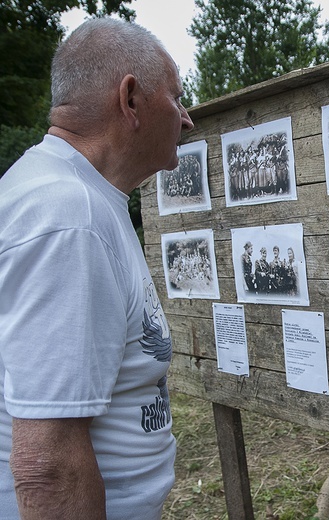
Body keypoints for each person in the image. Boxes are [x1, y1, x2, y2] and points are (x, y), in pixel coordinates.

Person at [0, 17, 194, 520]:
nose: (187, 118)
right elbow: (48, 466)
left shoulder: (75, 195)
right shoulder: (68, 216)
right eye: (176, 97)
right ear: (130, 100)